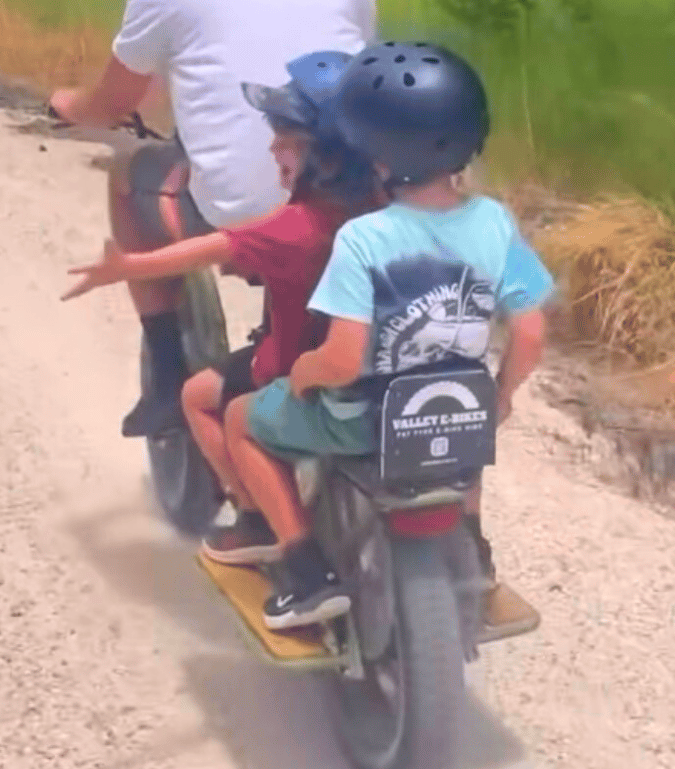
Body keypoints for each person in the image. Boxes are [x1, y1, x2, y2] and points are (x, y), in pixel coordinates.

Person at [49, 0, 378, 439]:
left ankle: (169, 374)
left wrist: (66, 105)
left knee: (127, 173)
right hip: (353, 197)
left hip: (244, 213)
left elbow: (113, 103)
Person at [217, 42, 555, 631]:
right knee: (460, 444)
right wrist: (501, 395)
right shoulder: (495, 222)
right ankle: (474, 559)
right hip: (455, 409)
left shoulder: (366, 238)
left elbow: (344, 360)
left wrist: (302, 374)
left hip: (361, 418)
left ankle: (303, 570)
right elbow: (529, 332)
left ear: (370, 152)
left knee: (244, 420)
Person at [62, 51, 378, 556]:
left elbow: (212, 248)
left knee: (200, 399)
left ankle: (260, 521)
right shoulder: (382, 208)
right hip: (379, 365)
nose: (273, 146)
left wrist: (124, 269)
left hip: (295, 364)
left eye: (285, 138)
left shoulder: (293, 228)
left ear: (320, 155)